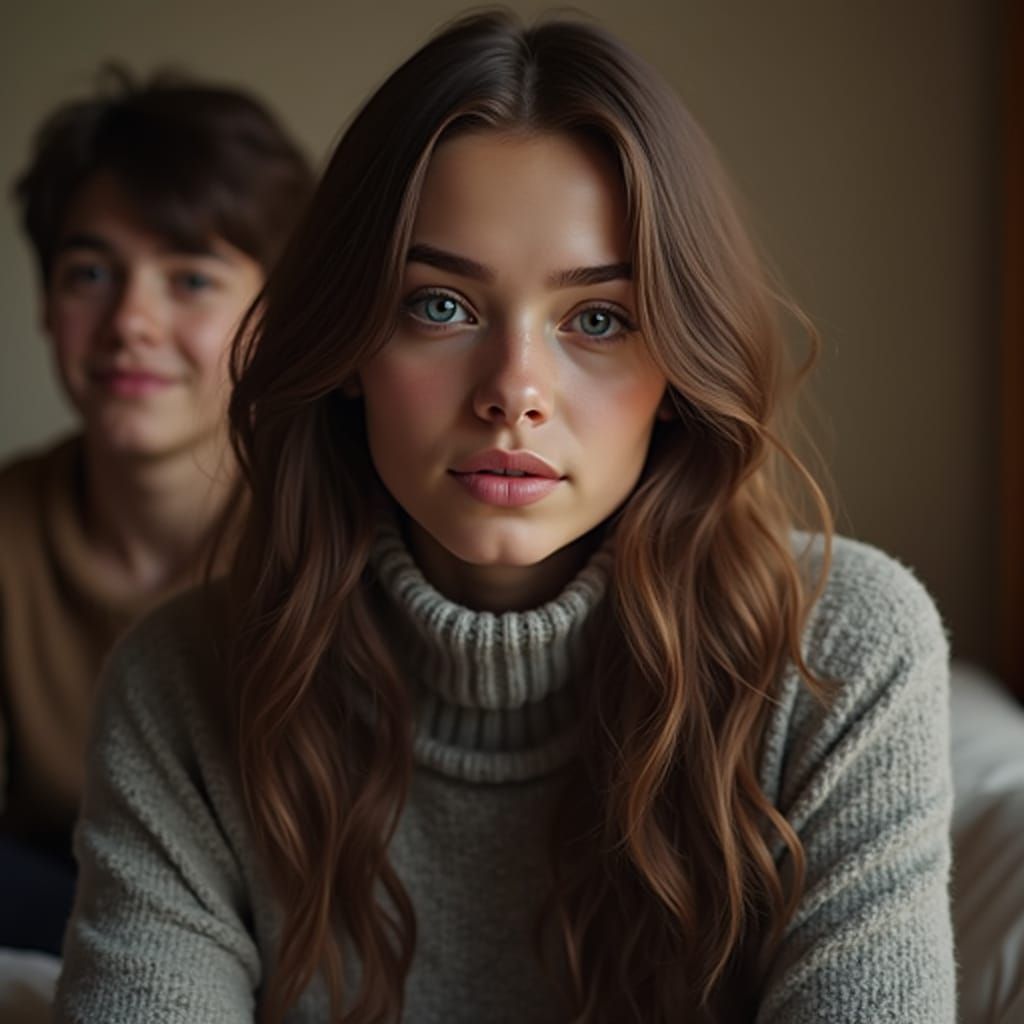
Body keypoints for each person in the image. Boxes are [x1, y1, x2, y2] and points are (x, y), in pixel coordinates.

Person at [54, 13, 954, 1023]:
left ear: (678, 370)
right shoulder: (180, 685)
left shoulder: (840, 653)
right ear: (349, 346)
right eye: (440, 305)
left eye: (598, 319)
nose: (514, 391)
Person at [0, 66, 314, 955]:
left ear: (276, 314)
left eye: (191, 279)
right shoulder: (10, 529)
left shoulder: (332, 536)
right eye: (90, 272)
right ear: (45, 301)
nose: (131, 321)